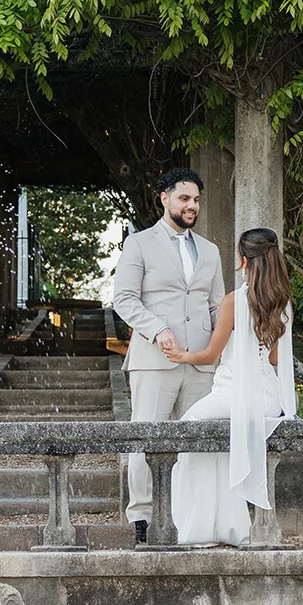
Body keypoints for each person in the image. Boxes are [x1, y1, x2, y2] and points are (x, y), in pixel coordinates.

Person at [110, 167, 225, 543]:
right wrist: (158, 329)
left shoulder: (210, 250)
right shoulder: (139, 244)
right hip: (153, 360)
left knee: (196, 442)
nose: (192, 206)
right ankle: (141, 518)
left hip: (200, 362)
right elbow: (124, 298)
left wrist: (221, 347)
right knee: (146, 438)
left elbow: (215, 307)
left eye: (196, 200)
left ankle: (188, 516)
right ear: (165, 198)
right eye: (184, 198)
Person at [161, 227, 297, 546]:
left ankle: (197, 526)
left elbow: (209, 355)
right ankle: (230, 526)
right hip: (266, 398)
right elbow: (276, 359)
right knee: (221, 447)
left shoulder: (235, 301)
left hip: (231, 395)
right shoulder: (282, 302)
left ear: (242, 259)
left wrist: (182, 355)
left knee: (188, 430)